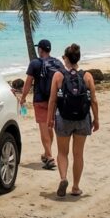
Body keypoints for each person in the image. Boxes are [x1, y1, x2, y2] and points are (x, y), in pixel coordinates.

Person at [47, 43, 100, 197]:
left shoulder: (58, 76)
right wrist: (96, 119)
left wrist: (50, 119)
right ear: (78, 58)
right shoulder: (87, 76)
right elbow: (94, 100)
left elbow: (52, 100)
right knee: (78, 154)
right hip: (82, 119)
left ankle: (63, 178)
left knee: (62, 152)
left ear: (66, 59)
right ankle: (76, 187)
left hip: (63, 118)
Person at [19, 40, 62, 170]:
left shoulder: (35, 63)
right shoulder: (57, 63)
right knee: (50, 127)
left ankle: (49, 157)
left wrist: (23, 98)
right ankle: (47, 153)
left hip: (40, 100)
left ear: (41, 50)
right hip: (54, 101)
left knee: (44, 129)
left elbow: (28, 83)